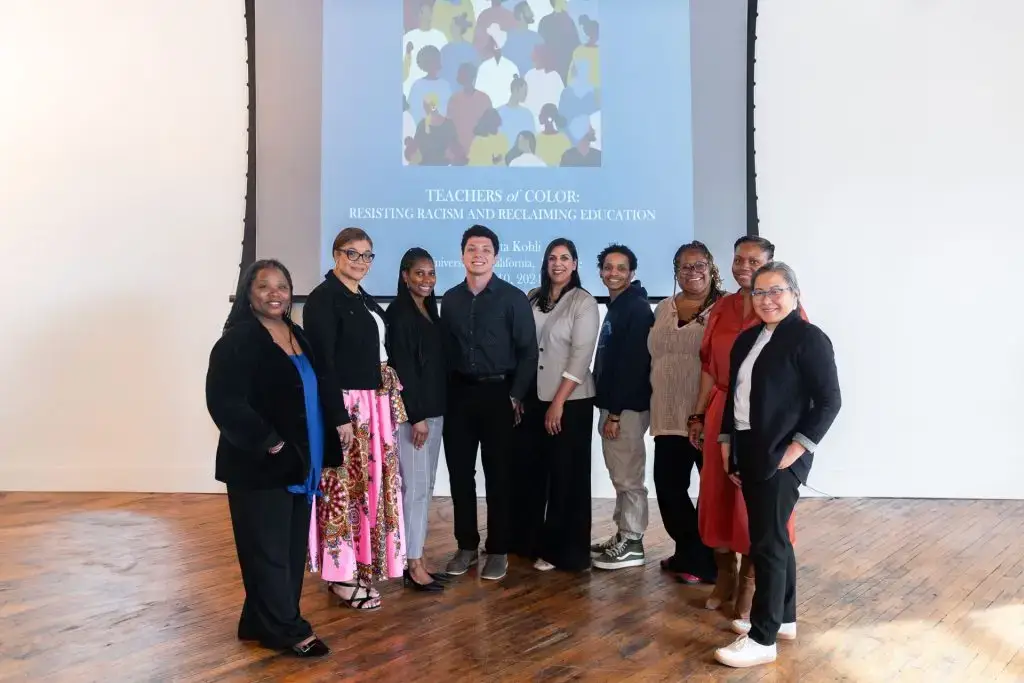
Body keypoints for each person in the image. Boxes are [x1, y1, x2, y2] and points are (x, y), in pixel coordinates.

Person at [713, 263, 841, 668]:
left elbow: (829, 402)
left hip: (779, 453)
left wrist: (796, 449)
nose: (767, 299)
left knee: (767, 543)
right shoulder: (748, 338)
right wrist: (727, 444)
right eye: (759, 293)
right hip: (748, 447)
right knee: (773, 538)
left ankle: (762, 638)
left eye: (776, 291)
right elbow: (736, 396)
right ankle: (784, 619)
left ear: (795, 293)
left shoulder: (809, 339)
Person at [205, 259, 332, 657]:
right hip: (260, 466)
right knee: (268, 550)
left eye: (282, 286)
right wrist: (271, 443)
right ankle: (287, 629)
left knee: (289, 550)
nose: (275, 293)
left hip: (299, 464)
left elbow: (314, 394)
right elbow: (224, 402)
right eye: (265, 286)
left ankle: (259, 620)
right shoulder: (238, 340)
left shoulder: (298, 335)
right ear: (248, 293)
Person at [694, 236, 802, 620]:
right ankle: (725, 576)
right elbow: (709, 365)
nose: (743, 265)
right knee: (716, 498)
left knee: (752, 508)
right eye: (738, 258)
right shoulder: (721, 306)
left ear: (771, 265)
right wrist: (698, 414)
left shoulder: (784, 311)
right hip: (722, 410)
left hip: (765, 420)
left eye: (754, 260)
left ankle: (750, 585)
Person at [303, 228, 407, 610]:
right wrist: (337, 417)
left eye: (367, 255)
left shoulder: (358, 296)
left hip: (372, 407)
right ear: (335, 255)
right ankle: (340, 575)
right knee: (342, 493)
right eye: (353, 253)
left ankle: (360, 565)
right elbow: (323, 365)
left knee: (367, 491)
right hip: (348, 410)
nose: (360, 262)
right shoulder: (322, 300)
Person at [441, 224, 539, 581]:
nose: (478, 254)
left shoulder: (512, 298)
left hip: (500, 395)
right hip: (459, 396)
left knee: (499, 475)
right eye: (471, 248)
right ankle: (466, 545)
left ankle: (498, 549)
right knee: (460, 475)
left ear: (495, 256)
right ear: (462, 254)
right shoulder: (450, 299)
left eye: (485, 248)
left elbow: (528, 352)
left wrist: (516, 395)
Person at [510, 238, 600, 571]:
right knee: (533, 473)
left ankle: (566, 552)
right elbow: (523, 347)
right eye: (552, 258)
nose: (558, 263)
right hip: (533, 397)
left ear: (575, 264)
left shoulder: (584, 302)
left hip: (570, 401)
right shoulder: (533, 297)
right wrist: (519, 394)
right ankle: (531, 542)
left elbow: (580, 356)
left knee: (567, 477)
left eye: (565, 258)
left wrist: (558, 402)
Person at [648, 242, 724, 585]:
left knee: (710, 493)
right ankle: (688, 551)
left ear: (711, 266)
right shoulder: (663, 307)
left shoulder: (724, 308)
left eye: (698, 265)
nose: (692, 272)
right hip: (666, 414)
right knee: (668, 488)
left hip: (705, 415)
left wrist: (703, 413)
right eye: (684, 266)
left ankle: (706, 561)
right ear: (675, 271)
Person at [386, 249, 449, 593]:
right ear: (405, 275)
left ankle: (417, 556)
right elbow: (403, 368)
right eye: (419, 274)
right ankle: (412, 563)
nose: (426, 280)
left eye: (431, 273)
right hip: (416, 419)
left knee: (424, 488)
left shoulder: (429, 310)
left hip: (434, 413)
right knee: (415, 490)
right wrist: (417, 416)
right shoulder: (399, 313)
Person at [590, 244, 655, 570]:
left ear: (631, 272)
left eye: (621, 268)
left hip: (625, 410)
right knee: (621, 474)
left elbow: (633, 366)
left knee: (629, 476)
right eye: (608, 267)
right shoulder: (618, 306)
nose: (613, 273)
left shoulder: (637, 308)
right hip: (616, 407)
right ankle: (623, 535)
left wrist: (614, 413)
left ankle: (632, 541)